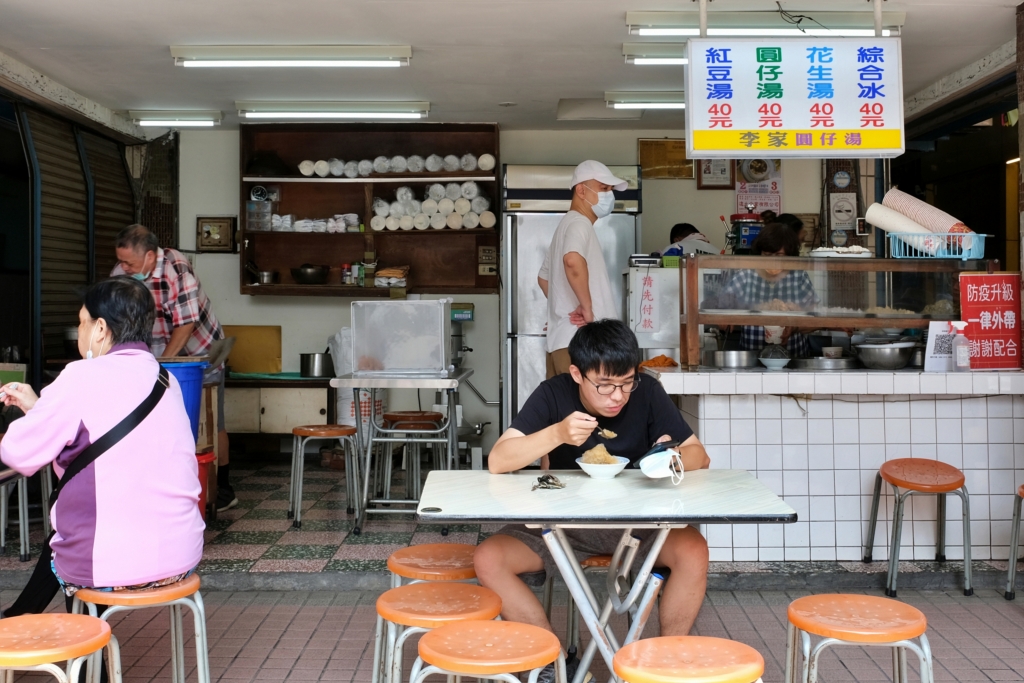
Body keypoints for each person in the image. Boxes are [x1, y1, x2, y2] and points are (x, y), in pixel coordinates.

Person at [474, 319, 710, 682]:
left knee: (694, 548)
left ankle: (668, 664)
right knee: (489, 557)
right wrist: (556, 433)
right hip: (562, 527)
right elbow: (499, 460)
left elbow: (699, 456)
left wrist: (669, 455)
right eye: (604, 385)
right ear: (577, 374)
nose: (617, 396)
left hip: (638, 526)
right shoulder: (553, 394)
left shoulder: (646, 391)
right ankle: (549, 663)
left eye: (625, 382)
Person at [0, 277, 205, 615]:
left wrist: (29, 419)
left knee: (65, 538)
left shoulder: (80, 376)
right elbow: (104, 433)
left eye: (81, 322)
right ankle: (28, 623)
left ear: (100, 328)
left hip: (112, 566)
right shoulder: (164, 379)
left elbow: (18, 454)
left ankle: (87, 664)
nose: (79, 332)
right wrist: (41, 408)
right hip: (181, 556)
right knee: (70, 533)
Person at [112, 224, 236, 511]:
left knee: (210, 420)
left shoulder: (177, 269)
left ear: (151, 257)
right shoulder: (122, 274)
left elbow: (186, 325)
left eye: (129, 263)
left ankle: (224, 489)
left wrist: (160, 366)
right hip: (153, 353)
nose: (122, 268)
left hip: (199, 352)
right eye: (120, 261)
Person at [537, 161, 627, 378]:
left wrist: (561, 311)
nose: (609, 195)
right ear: (581, 190)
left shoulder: (565, 226)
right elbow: (572, 261)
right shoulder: (579, 223)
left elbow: (543, 279)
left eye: (611, 190)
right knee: (585, 411)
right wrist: (587, 309)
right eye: (604, 188)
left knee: (566, 411)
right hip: (583, 344)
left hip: (562, 341)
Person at [719, 223, 816, 357]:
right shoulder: (747, 274)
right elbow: (721, 308)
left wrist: (795, 327)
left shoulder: (798, 275)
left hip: (794, 359)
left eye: (779, 256)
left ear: (790, 255)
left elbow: (814, 317)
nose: (773, 261)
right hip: (752, 358)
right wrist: (726, 316)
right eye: (767, 254)